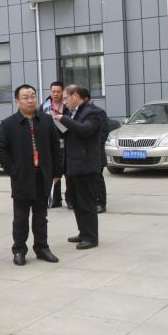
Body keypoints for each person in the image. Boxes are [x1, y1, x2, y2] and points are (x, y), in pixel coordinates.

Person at [0, 85, 63, 266]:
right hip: (22, 177)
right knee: (20, 218)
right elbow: (2, 150)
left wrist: (57, 172)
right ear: (17, 101)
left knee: (41, 216)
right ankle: (19, 250)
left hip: (43, 175)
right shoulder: (9, 124)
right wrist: (13, 170)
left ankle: (42, 248)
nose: (30, 100)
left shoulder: (46, 120)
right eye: (25, 97)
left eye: (33, 96)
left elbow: (55, 146)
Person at [57, 85, 107, 250]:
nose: (65, 103)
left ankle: (91, 237)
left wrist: (63, 120)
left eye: (66, 98)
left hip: (86, 165)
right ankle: (83, 232)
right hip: (72, 164)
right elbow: (68, 133)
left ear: (76, 96)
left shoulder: (92, 112)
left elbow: (85, 130)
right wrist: (58, 125)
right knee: (77, 202)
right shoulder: (72, 113)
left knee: (87, 202)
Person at [42, 81, 68, 208]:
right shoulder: (45, 106)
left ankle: (70, 199)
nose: (56, 94)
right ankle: (55, 200)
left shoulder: (67, 105)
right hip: (50, 146)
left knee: (68, 173)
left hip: (66, 144)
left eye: (58, 91)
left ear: (62, 92)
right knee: (53, 172)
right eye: (53, 91)